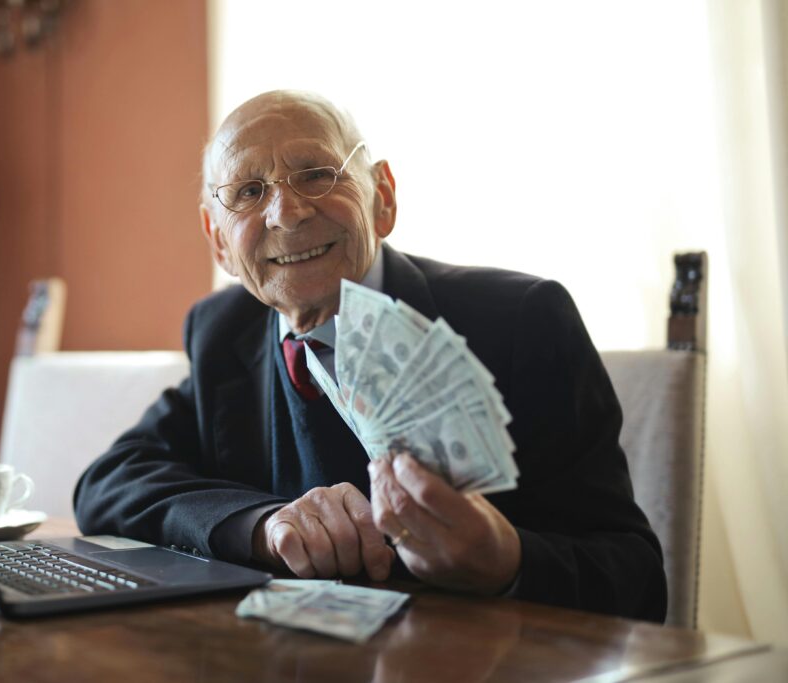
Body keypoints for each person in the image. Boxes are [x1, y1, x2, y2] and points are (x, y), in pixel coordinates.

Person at [74, 90, 667, 622]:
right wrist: (263, 524)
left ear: (382, 197)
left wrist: (504, 559)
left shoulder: (522, 320)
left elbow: (636, 579)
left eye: (315, 174)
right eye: (249, 192)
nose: (288, 211)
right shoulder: (224, 330)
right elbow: (109, 481)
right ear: (218, 241)